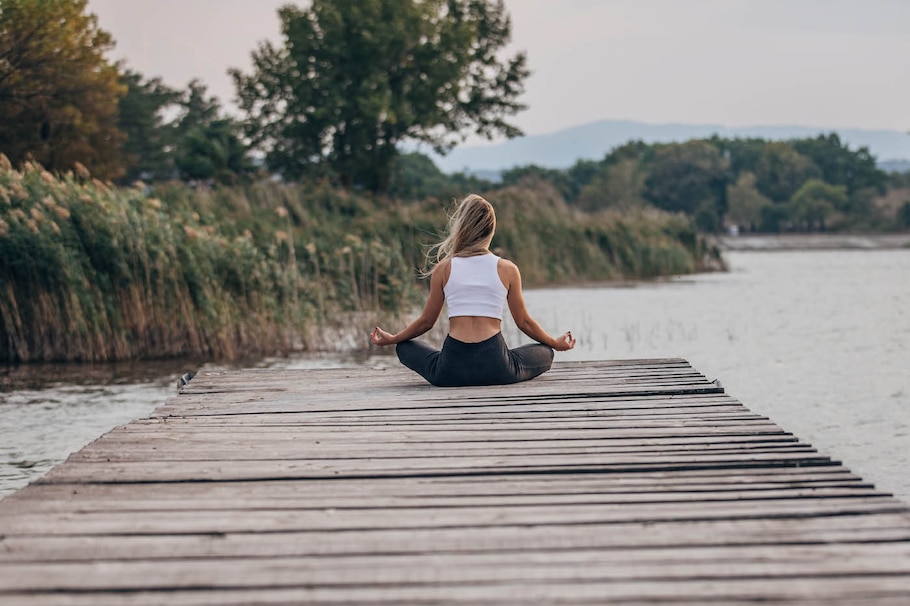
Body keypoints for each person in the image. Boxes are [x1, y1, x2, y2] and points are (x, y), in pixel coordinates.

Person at [369, 193, 576, 387]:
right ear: (491, 229)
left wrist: (393, 339)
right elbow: (524, 322)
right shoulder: (507, 269)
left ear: (461, 228)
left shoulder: (444, 268)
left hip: (450, 370)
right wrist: (555, 343)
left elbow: (426, 322)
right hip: (498, 367)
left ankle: (428, 359)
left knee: (404, 347)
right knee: (545, 352)